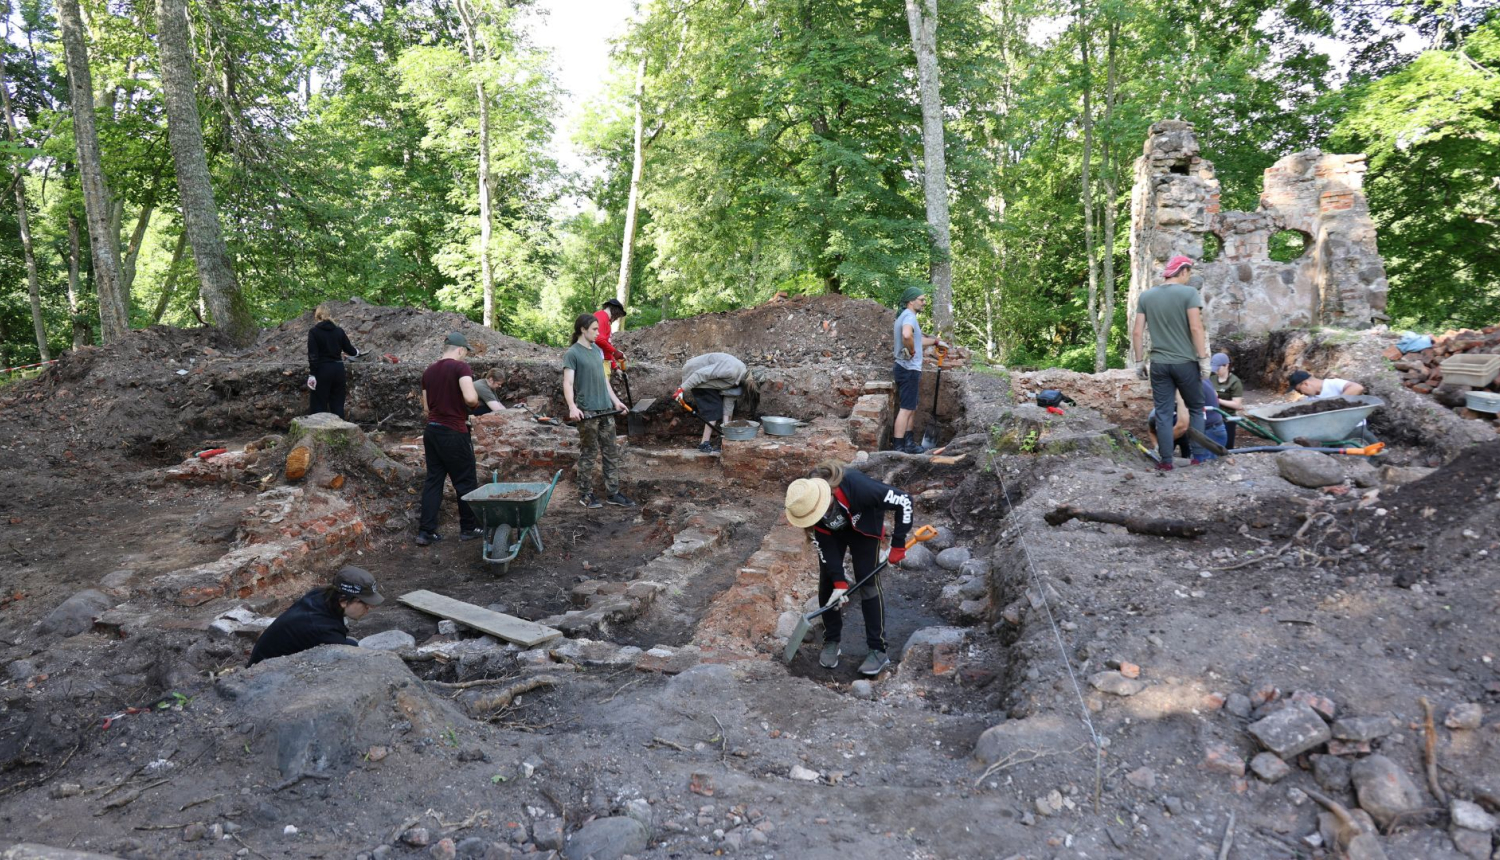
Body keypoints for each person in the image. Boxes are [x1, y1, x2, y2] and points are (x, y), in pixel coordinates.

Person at [783, 461, 914, 677]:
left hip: (864, 529)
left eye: (819, 511)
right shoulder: (807, 501)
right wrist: (839, 582)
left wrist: (898, 544)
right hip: (832, 534)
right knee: (828, 582)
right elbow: (825, 546)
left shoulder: (859, 487)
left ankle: (877, 649)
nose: (817, 516)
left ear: (828, 495)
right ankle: (831, 640)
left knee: (867, 582)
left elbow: (905, 500)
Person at [1131, 255, 1210, 471]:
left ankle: (1166, 461)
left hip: (1158, 364)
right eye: (1189, 273)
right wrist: (1203, 359)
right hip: (1185, 363)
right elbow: (1196, 328)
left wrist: (1139, 362)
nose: (1189, 278)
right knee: (1196, 408)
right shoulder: (1189, 293)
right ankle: (1198, 457)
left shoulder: (1146, 296)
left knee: (1163, 413)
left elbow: (1137, 332)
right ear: (1183, 271)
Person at [417, 332, 482, 546]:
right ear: (460, 350)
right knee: (465, 481)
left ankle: (426, 532)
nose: (465, 356)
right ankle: (469, 528)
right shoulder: (460, 367)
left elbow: (426, 408)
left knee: (434, 481)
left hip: (432, 431)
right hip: (453, 431)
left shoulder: (428, 371)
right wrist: (473, 404)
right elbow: (470, 398)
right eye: (466, 352)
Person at [564, 313, 634, 509]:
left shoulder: (597, 350)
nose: (598, 333)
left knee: (611, 452)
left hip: (606, 410)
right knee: (589, 453)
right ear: (583, 330)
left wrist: (616, 402)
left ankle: (613, 493)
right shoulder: (572, 353)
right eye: (594, 329)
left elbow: (604, 380)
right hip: (587, 411)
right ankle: (585, 493)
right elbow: (568, 382)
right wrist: (572, 406)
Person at [248, 566, 384, 666]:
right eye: (365, 604)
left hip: (267, 656)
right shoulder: (323, 629)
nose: (369, 608)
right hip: (267, 674)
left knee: (352, 644)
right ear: (343, 600)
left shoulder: (321, 595)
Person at [891, 286, 947, 454]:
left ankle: (909, 443)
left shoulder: (905, 315)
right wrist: (911, 350)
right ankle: (898, 447)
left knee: (911, 407)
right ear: (911, 301)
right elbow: (907, 335)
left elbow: (916, 339)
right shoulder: (909, 316)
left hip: (907, 369)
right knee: (906, 409)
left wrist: (935, 342)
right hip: (908, 369)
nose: (924, 302)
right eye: (921, 300)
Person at [673, 352, 761, 453]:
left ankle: (716, 441)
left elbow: (728, 403)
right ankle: (704, 444)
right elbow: (700, 374)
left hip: (709, 380)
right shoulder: (731, 371)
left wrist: (726, 431)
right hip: (694, 372)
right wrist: (681, 389)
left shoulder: (740, 381)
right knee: (714, 409)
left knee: (721, 408)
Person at [1287, 370, 1377, 443]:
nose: (1301, 393)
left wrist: (1334, 404)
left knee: (1377, 453)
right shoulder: (1310, 399)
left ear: (1306, 383)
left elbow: (1357, 388)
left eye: (1299, 390)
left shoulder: (1332, 384)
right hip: (1333, 434)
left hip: (1354, 428)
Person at [306, 304, 360, 419]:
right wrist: (357, 352)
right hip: (338, 370)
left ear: (317, 316)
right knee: (337, 404)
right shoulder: (338, 331)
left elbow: (313, 355)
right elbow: (350, 350)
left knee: (318, 404)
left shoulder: (314, 332)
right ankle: (339, 428)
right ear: (329, 315)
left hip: (322, 370)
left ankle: (318, 428)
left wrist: (312, 374)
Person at [1210, 352, 1244, 450]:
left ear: (1226, 366)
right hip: (1212, 418)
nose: (1216, 371)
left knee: (1227, 448)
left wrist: (1218, 400)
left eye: (1218, 368)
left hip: (1227, 418)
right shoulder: (1211, 379)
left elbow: (1237, 405)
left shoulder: (1234, 381)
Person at [594, 299, 627, 375]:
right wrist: (615, 352)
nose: (616, 319)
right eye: (618, 316)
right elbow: (598, 339)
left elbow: (606, 346)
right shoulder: (601, 316)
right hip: (598, 362)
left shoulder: (606, 321)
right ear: (616, 311)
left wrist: (615, 367)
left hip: (603, 362)